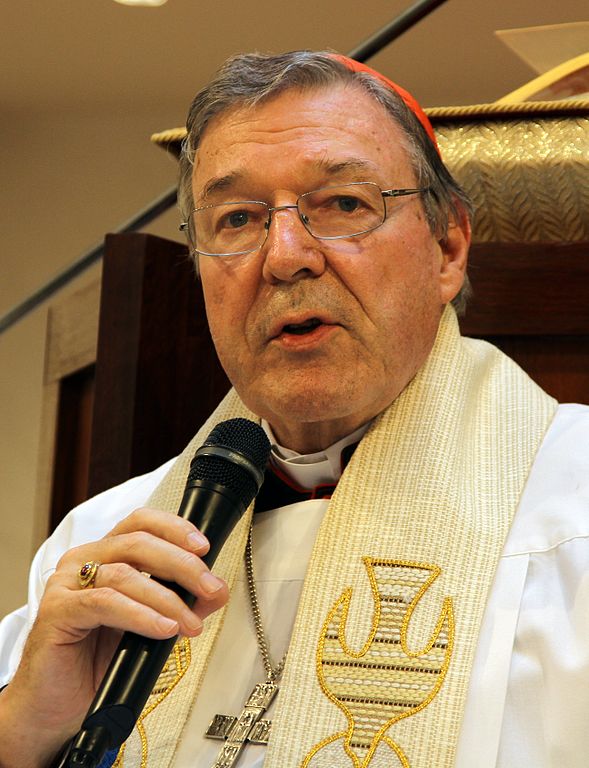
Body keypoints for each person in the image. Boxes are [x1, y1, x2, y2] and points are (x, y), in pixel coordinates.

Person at [0, 50, 588, 768]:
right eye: (236, 218)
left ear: (447, 247)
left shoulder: (574, 510)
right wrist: (22, 732)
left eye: (344, 204)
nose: (284, 256)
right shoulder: (99, 546)